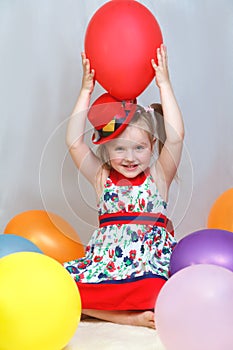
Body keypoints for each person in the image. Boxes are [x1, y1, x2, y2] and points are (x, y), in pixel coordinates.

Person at [64, 44, 184, 329]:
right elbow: (73, 142)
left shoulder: (158, 175)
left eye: (139, 147)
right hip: (108, 266)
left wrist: (164, 84)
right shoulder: (101, 177)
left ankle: (126, 310)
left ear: (153, 145)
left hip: (146, 267)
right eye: (120, 149)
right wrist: (85, 92)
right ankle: (131, 319)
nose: (130, 158)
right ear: (106, 148)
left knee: (159, 292)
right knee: (65, 290)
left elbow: (177, 137)